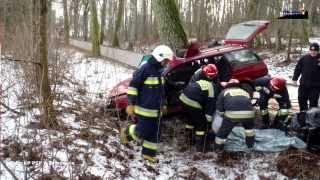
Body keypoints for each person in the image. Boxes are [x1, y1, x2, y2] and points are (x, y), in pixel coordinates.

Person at [120, 45, 174, 163]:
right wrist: (130, 103)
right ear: (159, 57)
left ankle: (148, 154)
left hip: (156, 111)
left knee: (155, 134)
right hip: (144, 109)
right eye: (166, 61)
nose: (167, 63)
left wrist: (164, 104)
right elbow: (133, 86)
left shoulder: (160, 72)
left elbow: (161, 92)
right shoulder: (145, 69)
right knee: (143, 131)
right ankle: (126, 133)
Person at [179, 64, 219, 152]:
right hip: (192, 102)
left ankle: (188, 140)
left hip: (182, 98)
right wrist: (208, 122)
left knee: (191, 120)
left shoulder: (199, 78)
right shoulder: (212, 88)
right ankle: (200, 147)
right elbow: (210, 107)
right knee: (201, 124)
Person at [214, 79, 255, 152]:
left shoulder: (224, 92)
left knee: (222, 134)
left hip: (232, 115)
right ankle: (250, 147)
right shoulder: (245, 92)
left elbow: (219, 108)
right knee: (249, 131)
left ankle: (217, 151)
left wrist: (223, 116)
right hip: (249, 114)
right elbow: (247, 103)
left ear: (228, 85)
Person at [292, 42, 320, 126]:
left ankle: (312, 121)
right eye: (311, 50)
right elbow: (298, 68)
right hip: (303, 85)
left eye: (315, 50)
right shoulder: (304, 58)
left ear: (318, 51)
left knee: (313, 104)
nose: (313, 52)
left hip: (315, 86)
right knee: (301, 100)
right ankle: (303, 119)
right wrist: (294, 78)